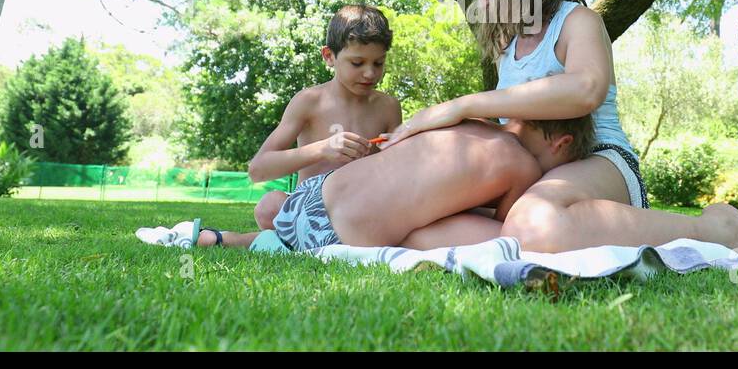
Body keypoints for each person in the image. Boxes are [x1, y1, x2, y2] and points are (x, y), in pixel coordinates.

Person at [378, 0, 738, 252]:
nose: (481, 2)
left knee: (533, 223)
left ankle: (717, 230)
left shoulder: (578, 22)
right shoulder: (508, 49)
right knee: (424, 231)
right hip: (535, 177)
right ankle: (544, 237)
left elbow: (585, 90)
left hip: (600, 161)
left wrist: (466, 104)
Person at [137, 115, 595, 252]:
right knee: (511, 239)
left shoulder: (467, 123)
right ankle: (232, 240)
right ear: (561, 144)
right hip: (345, 232)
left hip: (314, 194)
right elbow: (508, 222)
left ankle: (219, 238)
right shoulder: (524, 166)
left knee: (299, 229)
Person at [245, 4, 402, 229]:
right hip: (310, 208)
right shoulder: (309, 101)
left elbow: (397, 174)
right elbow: (258, 170)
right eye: (357, 63)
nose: (370, 73)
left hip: (363, 208)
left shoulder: (388, 106)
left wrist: (392, 153)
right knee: (269, 206)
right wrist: (323, 149)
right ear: (329, 56)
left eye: (379, 63)